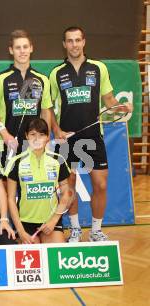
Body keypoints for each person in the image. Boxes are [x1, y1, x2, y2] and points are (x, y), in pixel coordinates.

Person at [49, 26, 133, 242]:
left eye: (78, 40)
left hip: (94, 136)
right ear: (64, 44)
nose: (74, 44)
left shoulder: (98, 69)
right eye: (70, 41)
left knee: (101, 185)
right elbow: (48, 106)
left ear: (84, 42)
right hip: (68, 139)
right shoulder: (56, 73)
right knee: (68, 186)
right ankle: (75, 228)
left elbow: (109, 100)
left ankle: (96, 230)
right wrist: (56, 130)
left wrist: (121, 107)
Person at [0, 29, 53, 168]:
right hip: (4, 143)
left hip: (34, 143)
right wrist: (5, 135)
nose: (22, 51)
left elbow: (46, 111)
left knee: (31, 185)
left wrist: (45, 138)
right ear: (11, 50)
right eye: (18, 47)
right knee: (3, 186)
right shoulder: (0, 79)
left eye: (25, 47)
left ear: (31, 48)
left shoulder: (42, 79)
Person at [6, 118, 73, 244]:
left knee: (56, 256)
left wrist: (53, 220)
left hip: (51, 221)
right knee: (31, 259)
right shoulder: (16, 162)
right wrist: (20, 230)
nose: (37, 139)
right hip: (25, 223)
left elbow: (66, 193)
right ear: (26, 136)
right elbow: (10, 198)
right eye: (33, 134)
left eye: (41, 135)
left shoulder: (58, 159)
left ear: (48, 137)